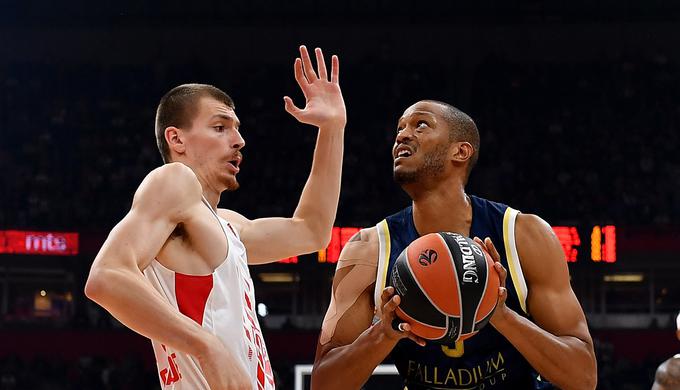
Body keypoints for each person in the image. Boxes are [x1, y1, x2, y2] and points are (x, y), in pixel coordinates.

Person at [85, 45, 346, 390]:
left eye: (237, 129)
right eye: (220, 127)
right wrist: (207, 347)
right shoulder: (175, 182)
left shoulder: (227, 223)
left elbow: (312, 231)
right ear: (176, 138)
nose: (239, 141)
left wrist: (332, 129)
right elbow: (105, 277)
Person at [311, 100, 596, 390]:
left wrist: (501, 314)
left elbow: (583, 377)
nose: (402, 135)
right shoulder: (368, 249)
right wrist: (382, 334)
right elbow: (323, 384)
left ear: (460, 151)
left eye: (420, 124)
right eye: (400, 128)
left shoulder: (523, 235)